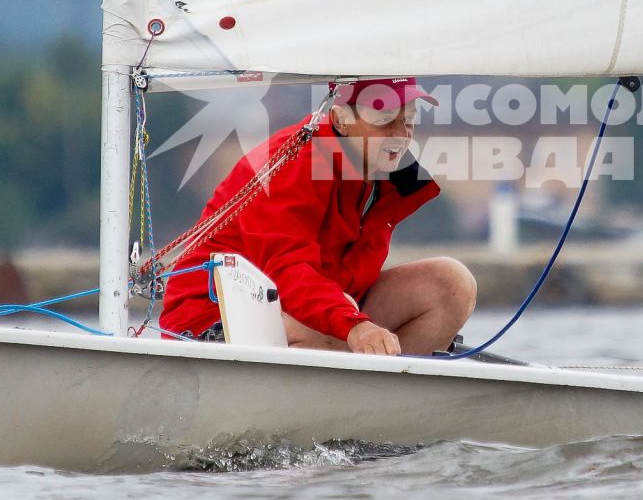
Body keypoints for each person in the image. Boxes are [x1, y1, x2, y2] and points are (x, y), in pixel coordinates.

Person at [159, 77, 476, 356]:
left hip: (310, 314)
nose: (400, 134)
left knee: (450, 284)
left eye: (409, 120)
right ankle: (353, 403)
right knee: (331, 324)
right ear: (340, 119)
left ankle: (381, 406)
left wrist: (354, 323)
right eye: (383, 119)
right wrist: (355, 326)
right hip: (212, 326)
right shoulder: (294, 162)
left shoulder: (389, 176)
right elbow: (288, 270)